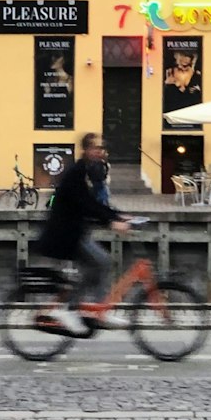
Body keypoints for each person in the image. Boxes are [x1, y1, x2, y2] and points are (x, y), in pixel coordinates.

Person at [33, 132, 130, 335]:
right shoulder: (77, 172)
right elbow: (85, 204)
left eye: (101, 148)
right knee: (102, 262)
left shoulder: (90, 171)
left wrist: (118, 216)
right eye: (96, 148)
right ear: (86, 150)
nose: (100, 152)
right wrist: (112, 221)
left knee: (96, 267)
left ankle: (94, 310)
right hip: (64, 234)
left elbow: (96, 203)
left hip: (75, 233)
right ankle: (68, 309)